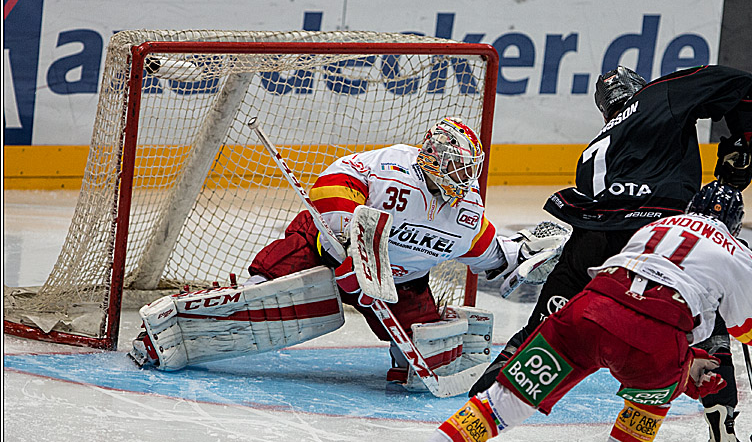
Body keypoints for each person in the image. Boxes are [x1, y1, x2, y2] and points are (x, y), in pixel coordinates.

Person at [364, 181, 752, 442]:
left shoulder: (656, 227)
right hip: (657, 337)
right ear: (736, 223)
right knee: (643, 408)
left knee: (499, 407)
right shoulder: (735, 250)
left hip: (588, 311)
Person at [470, 63, 752, 442]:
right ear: (638, 89)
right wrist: (742, 145)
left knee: (545, 328)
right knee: (706, 325)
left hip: (591, 237)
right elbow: (743, 83)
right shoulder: (660, 96)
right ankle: (726, 430)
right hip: (653, 237)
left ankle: (478, 410)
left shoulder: (598, 140)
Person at [129, 117, 562, 384]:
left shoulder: (465, 212)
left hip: (399, 284)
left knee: (422, 360)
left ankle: (402, 356)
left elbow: (492, 257)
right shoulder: (393, 166)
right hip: (326, 250)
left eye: (466, 169)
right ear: (430, 157)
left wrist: (524, 255)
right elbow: (333, 186)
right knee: (262, 294)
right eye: (452, 166)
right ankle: (166, 331)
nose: (460, 177)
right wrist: (353, 250)